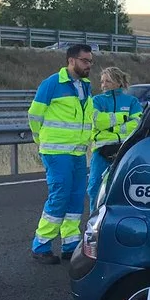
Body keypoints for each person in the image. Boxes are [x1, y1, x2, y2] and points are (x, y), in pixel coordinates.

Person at [28, 44, 121, 263]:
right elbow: (34, 115)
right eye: (85, 61)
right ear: (71, 60)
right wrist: (41, 141)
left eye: (90, 61)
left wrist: (122, 119)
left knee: (76, 197)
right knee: (60, 196)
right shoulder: (52, 84)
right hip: (56, 152)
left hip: (78, 152)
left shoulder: (85, 86)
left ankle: (70, 244)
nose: (89, 65)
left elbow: (92, 118)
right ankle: (41, 245)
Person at [87, 67, 142, 213]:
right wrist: (122, 118)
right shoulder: (96, 100)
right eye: (102, 81)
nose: (103, 85)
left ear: (119, 82)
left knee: (124, 186)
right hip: (102, 150)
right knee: (94, 187)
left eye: (108, 81)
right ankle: (94, 217)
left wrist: (112, 128)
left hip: (125, 149)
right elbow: (97, 121)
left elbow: (137, 123)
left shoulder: (132, 101)